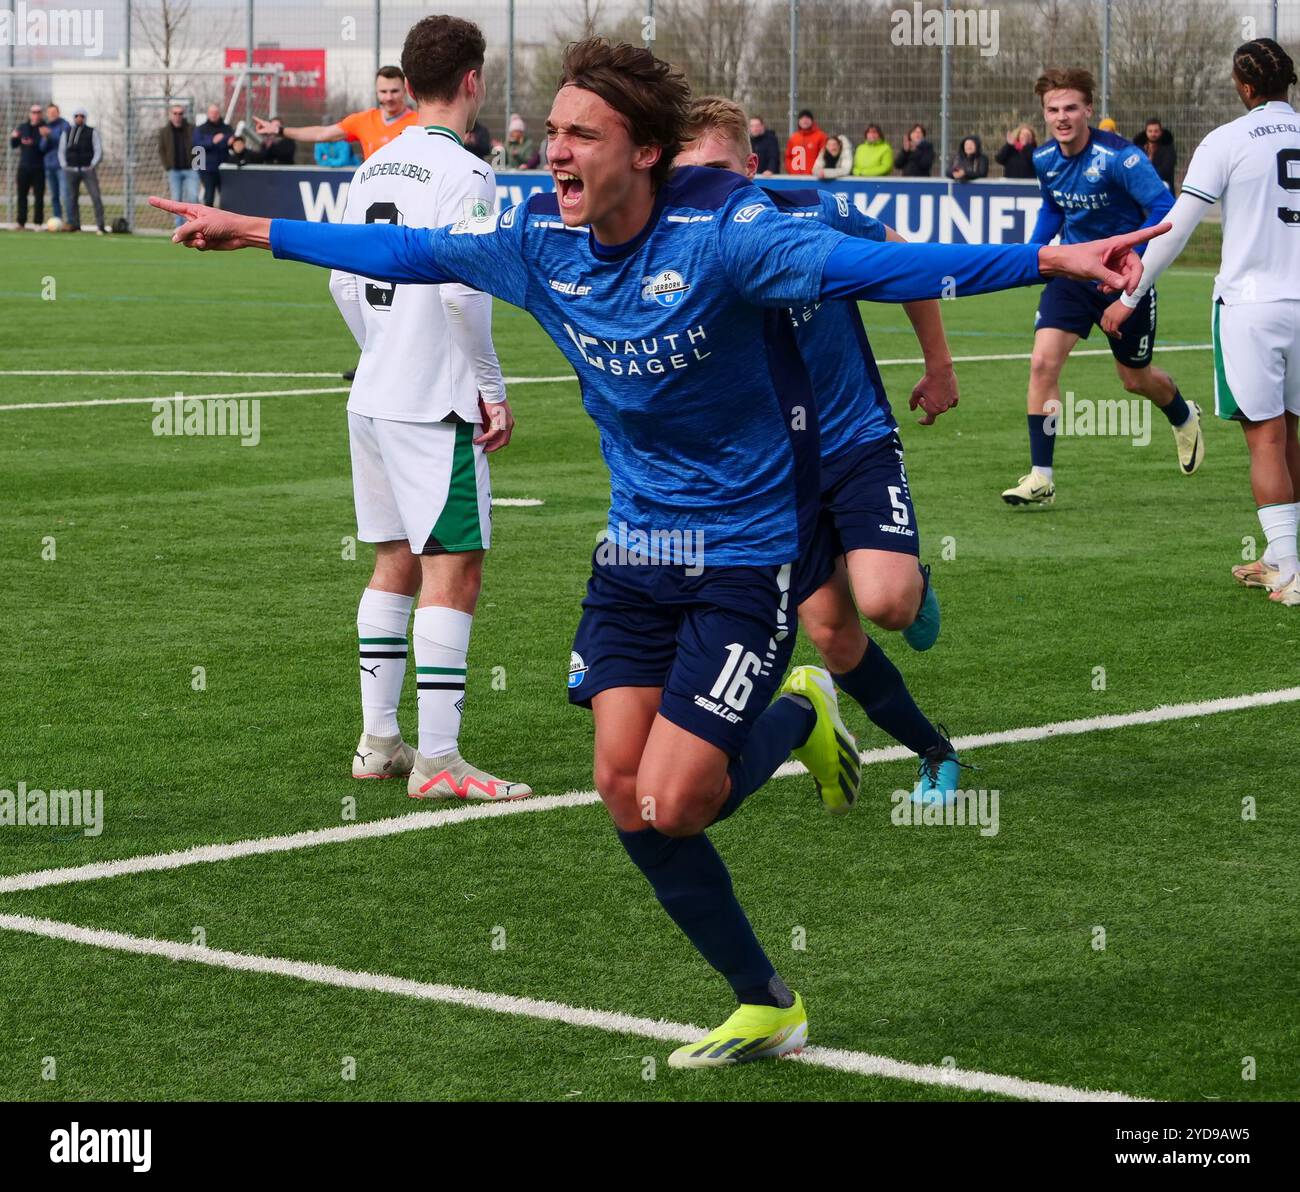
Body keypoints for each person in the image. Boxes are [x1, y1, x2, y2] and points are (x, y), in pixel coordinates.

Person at [151, 38, 1163, 1070]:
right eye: (548, 131)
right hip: (632, 558)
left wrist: (1043, 261)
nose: (552, 150)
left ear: (645, 151)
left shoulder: (727, 240)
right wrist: (253, 229)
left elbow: (882, 263)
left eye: (580, 134)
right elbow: (413, 254)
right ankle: (766, 1001)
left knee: (678, 799)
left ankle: (800, 712)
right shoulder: (537, 236)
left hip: (743, 559)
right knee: (623, 792)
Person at [677, 95, 967, 806]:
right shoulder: (677, 246)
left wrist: (938, 364)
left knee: (888, 603)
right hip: (774, 479)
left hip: (854, 441)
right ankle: (936, 752)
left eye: (718, 169)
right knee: (833, 636)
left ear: (751, 167)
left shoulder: (812, 210)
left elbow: (904, 260)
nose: (706, 187)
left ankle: (916, 586)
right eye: (689, 176)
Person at [321, 16, 531, 797]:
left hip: (373, 391)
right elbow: (461, 289)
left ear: (406, 86)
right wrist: (491, 384)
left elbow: (342, 280)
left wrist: (381, 342)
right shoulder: (470, 173)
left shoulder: (372, 166)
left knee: (394, 560)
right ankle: (440, 762)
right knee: (455, 565)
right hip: (429, 398)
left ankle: (379, 742)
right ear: (473, 80)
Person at [1103, 40, 1300, 606]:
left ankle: (1287, 571)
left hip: (1252, 307)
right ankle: (1284, 556)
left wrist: (1131, 293)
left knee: (1265, 439)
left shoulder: (1228, 140)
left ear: (1244, 85)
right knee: (1292, 434)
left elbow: (1177, 227)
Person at [1002, 67, 1201, 507]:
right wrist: (1034, 253)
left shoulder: (1121, 158)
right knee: (1042, 364)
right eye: (1053, 109)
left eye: (1071, 107)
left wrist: (1131, 260)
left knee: (1134, 380)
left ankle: (1184, 416)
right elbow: (1053, 210)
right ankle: (1041, 476)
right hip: (1073, 274)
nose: (1062, 117)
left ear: (1088, 110)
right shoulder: (1043, 160)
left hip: (1122, 278)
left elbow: (1162, 207)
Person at [255, 66, 417, 162]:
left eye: (394, 91)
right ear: (376, 92)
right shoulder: (363, 120)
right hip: (374, 197)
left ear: (405, 90)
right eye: (383, 91)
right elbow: (321, 134)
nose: (388, 97)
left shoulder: (419, 122)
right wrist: (280, 130)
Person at [59, 107, 105, 234]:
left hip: (87, 170)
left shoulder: (92, 132)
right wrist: (64, 165)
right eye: (76, 116)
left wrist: (92, 164)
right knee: (71, 198)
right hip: (71, 170)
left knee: (95, 196)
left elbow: (98, 149)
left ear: (85, 118)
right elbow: (61, 150)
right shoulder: (67, 132)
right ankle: (75, 224)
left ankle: (100, 225)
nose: (79, 118)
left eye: (82, 116)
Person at [159, 102, 199, 225]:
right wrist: (167, 166)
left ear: (183, 114)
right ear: (171, 114)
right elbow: (162, 150)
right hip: (174, 171)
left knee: (193, 198)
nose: (178, 116)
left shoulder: (192, 129)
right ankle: (179, 229)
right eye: (175, 113)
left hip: (191, 169)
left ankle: (194, 226)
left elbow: (199, 147)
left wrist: (198, 166)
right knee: (176, 201)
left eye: (180, 113)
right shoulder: (164, 131)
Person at [9, 103, 46, 228]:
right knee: (22, 195)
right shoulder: (23, 127)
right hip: (24, 166)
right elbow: (14, 144)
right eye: (33, 112)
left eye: (38, 112)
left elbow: (44, 147)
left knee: (39, 196)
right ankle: (21, 221)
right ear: (30, 114)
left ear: (41, 114)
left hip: (38, 167)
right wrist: (14, 138)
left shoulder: (44, 128)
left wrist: (34, 142)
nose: (36, 114)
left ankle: (38, 222)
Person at [194, 103, 235, 205]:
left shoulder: (227, 128)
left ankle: (226, 220)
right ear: (208, 114)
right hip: (207, 169)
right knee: (209, 197)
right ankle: (208, 220)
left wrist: (232, 143)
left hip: (224, 168)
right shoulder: (201, 129)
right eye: (211, 112)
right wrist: (213, 142)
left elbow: (232, 144)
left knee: (227, 197)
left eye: (216, 112)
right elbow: (197, 145)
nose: (214, 115)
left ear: (219, 113)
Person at [42, 103, 70, 222]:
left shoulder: (64, 125)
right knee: (54, 196)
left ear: (58, 113)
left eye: (54, 112)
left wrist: (50, 135)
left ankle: (70, 221)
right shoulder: (45, 127)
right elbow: (42, 148)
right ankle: (57, 220)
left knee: (65, 195)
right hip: (49, 166)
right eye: (50, 113)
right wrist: (45, 138)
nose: (52, 115)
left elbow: (65, 143)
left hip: (62, 166)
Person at [1133, 117, 1177, 187]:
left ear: (1161, 132)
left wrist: (1146, 174)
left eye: (1156, 131)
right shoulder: (1139, 149)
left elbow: (1166, 170)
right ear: (1146, 132)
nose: (1153, 134)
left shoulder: (1168, 149)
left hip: (1163, 187)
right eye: (1150, 131)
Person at [784, 108, 826, 174]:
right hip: (795, 177)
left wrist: (817, 171)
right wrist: (791, 171)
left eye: (807, 118)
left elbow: (824, 156)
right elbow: (788, 157)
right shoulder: (794, 137)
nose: (804, 121)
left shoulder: (820, 136)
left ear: (812, 121)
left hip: (813, 177)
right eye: (802, 119)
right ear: (799, 121)